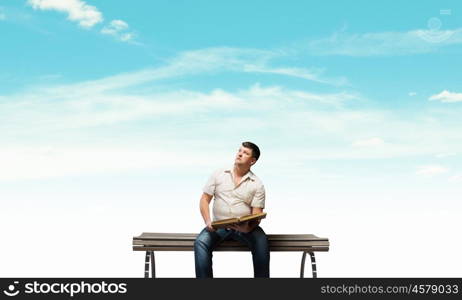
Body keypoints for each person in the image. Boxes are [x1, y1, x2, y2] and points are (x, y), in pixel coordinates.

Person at [194, 141, 270, 278]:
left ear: (252, 161)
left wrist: (248, 228)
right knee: (200, 242)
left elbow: (256, 215)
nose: (240, 154)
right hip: (218, 226)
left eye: (245, 153)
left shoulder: (257, 184)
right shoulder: (218, 174)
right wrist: (208, 221)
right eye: (239, 151)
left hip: (245, 228)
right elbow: (204, 199)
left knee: (261, 241)